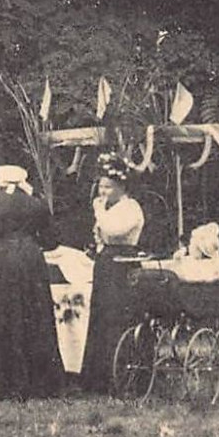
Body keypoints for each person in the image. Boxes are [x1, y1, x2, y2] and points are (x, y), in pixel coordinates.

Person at [0, 164, 65, 399]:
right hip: (31, 260)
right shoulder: (36, 204)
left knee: (3, 316)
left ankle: (3, 383)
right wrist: (32, 242)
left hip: (3, 260)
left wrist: (1, 246)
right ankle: (41, 382)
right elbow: (51, 240)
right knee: (35, 316)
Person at [78, 154, 145, 394]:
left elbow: (114, 230)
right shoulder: (110, 208)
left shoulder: (130, 208)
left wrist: (99, 212)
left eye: (108, 186)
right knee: (101, 316)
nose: (102, 191)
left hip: (123, 263)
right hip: (107, 263)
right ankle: (98, 379)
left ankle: (123, 376)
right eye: (101, 186)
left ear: (121, 187)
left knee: (118, 315)